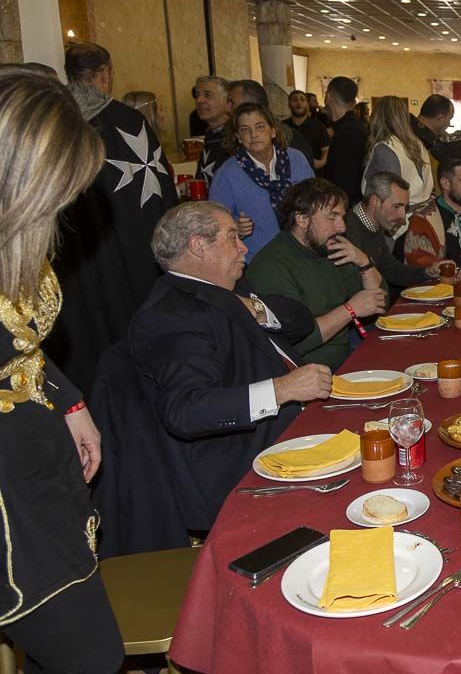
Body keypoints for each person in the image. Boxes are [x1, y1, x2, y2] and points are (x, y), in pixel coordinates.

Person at [0, 68, 124, 673]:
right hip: (10, 501)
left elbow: (26, 347)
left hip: (39, 462)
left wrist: (71, 403)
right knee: (92, 655)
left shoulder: (16, 242)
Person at [128, 202, 331, 532]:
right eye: (232, 237)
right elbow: (186, 410)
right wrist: (283, 390)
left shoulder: (227, 290)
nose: (244, 247)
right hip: (247, 466)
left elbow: (301, 320)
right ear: (198, 245)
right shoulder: (170, 315)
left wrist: (254, 309)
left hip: (294, 432)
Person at [46, 42, 178, 397]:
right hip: (131, 259)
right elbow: (159, 195)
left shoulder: (51, 123)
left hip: (72, 261)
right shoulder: (130, 123)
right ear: (105, 74)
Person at [244, 179, 387, 369]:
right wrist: (350, 310)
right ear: (302, 219)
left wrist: (364, 262)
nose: (342, 227)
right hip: (307, 376)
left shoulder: (329, 248)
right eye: (332, 217)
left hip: (347, 359)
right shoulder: (272, 266)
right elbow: (293, 341)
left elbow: (380, 301)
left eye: (342, 217)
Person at [209, 102, 315, 261]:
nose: (253, 134)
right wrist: (234, 228)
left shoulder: (297, 159)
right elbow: (213, 227)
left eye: (260, 127)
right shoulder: (226, 174)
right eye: (245, 130)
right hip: (257, 262)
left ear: (273, 131)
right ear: (238, 137)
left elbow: (315, 203)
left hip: (303, 254)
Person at [345, 171, 445, 295]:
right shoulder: (347, 231)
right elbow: (355, 290)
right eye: (397, 207)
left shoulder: (373, 225)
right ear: (375, 201)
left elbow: (392, 270)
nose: (403, 216)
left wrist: (427, 272)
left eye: (405, 208)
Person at [363, 95, 433, 210]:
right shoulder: (417, 143)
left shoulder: (385, 149)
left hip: (397, 221)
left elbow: (391, 198)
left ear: (376, 118)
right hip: (422, 216)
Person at [322, 76, 368, 204]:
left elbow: (345, 181)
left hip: (346, 207)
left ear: (328, 96)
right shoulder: (354, 127)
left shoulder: (347, 132)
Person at [194, 75, 231, 185]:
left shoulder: (236, 137)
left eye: (207, 95)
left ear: (227, 103)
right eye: (197, 95)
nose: (199, 100)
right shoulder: (211, 135)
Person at [284, 89, 329, 171]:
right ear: (289, 104)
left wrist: (321, 162)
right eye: (294, 100)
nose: (298, 102)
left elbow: (326, 149)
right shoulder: (282, 127)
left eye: (302, 99)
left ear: (307, 104)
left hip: (313, 173)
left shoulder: (318, 126)